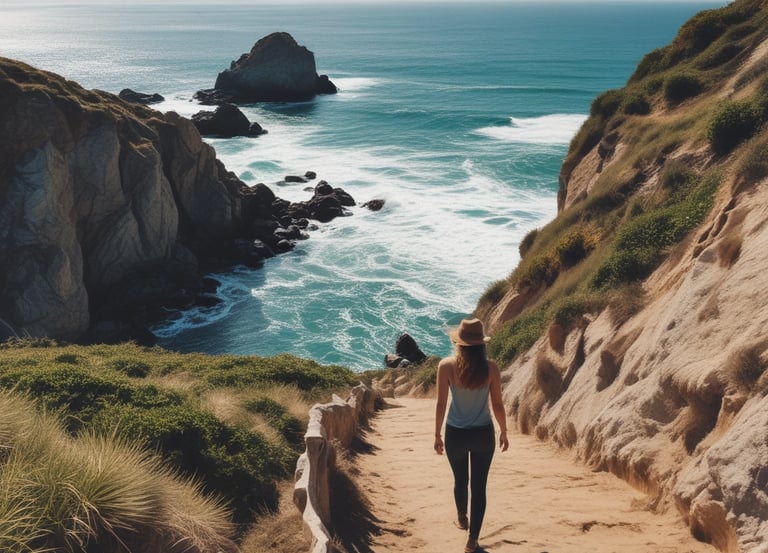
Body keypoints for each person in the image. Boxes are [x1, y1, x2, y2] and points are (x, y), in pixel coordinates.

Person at [434, 318, 509, 553]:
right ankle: (472, 540)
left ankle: (462, 517)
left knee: (460, 480)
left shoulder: (446, 366)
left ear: (460, 343)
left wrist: (437, 434)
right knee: (479, 487)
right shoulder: (491, 368)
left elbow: (440, 404)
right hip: (483, 434)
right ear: (481, 344)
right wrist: (504, 430)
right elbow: (497, 404)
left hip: (455, 433)